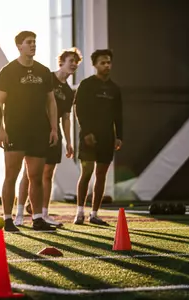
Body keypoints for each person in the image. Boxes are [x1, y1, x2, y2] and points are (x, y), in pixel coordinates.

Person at [0, 31, 59, 232]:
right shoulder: (8, 71)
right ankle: (7, 218)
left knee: (36, 176)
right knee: (11, 175)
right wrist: (0, 129)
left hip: (39, 132)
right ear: (19, 46)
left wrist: (53, 128)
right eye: (29, 42)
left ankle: (38, 218)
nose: (33, 45)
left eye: (35, 42)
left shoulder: (43, 71)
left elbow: (51, 101)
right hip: (15, 131)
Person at [15, 47, 82, 227]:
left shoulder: (69, 92)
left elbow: (66, 118)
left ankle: (43, 214)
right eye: (71, 61)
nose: (74, 64)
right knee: (28, 174)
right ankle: (19, 214)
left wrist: (69, 141)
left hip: (54, 134)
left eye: (76, 62)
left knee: (47, 175)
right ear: (61, 62)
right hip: (35, 130)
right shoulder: (47, 77)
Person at [73, 49, 122, 225]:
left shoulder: (115, 89)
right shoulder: (86, 85)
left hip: (107, 138)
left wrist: (119, 136)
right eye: (103, 62)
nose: (106, 65)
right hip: (88, 138)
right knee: (86, 173)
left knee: (101, 175)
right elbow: (79, 111)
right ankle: (79, 213)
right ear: (95, 65)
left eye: (109, 62)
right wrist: (86, 132)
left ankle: (94, 214)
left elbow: (119, 115)